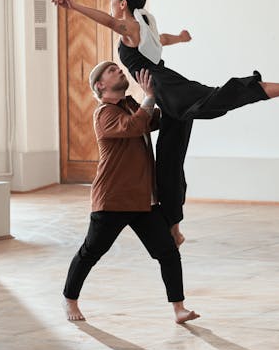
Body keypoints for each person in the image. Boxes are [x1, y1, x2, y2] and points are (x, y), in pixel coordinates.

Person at [52, 0, 279, 247]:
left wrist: (74, 6)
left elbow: (110, 22)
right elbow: (161, 39)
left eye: (112, 0)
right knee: (169, 160)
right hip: (169, 95)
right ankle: (174, 229)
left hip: (168, 91)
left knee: (222, 97)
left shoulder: (127, 26)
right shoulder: (145, 24)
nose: (111, 5)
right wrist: (181, 38)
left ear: (122, 4)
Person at [63, 60, 200, 325]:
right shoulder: (104, 113)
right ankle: (70, 299)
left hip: (142, 201)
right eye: (112, 70)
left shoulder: (130, 106)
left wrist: (181, 102)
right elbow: (134, 127)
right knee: (91, 252)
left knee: (168, 252)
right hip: (113, 200)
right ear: (100, 85)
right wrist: (149, 97)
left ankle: (179, 309)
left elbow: (152, 121)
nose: (119, 70)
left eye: (118, 68)